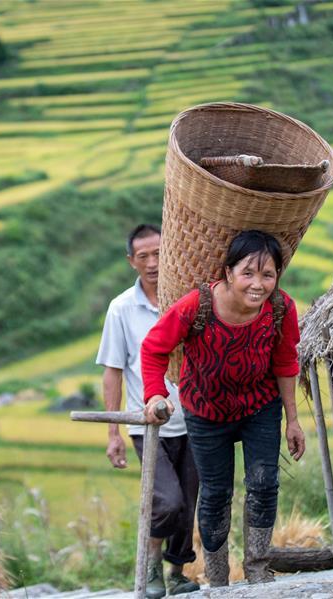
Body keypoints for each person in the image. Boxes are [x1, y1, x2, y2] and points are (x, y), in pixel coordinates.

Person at [140, 229, 306, 587]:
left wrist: (293, 420)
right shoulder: (196, 307)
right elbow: (154, 349)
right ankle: (218, 579)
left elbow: (286, 363)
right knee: (216, 493)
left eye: (268, 274)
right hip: (206, 413)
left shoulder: (281, 309)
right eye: (248, 273)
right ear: (227, 273)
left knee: (264, 483)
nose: (258, 284)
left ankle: (258, 569)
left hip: (259, 407)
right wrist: (155, 394)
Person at [95, 224, 200, 598]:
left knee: (189, 504)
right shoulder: (121, 308)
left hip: (195, 422)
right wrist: (113, 434)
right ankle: (152, 564)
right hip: (148, 426)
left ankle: (177, 573)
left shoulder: (189, 299)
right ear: (131, 261)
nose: (153, 263)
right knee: (167, 502)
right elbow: (112, 371)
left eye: (159, 253)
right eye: (144, 257)